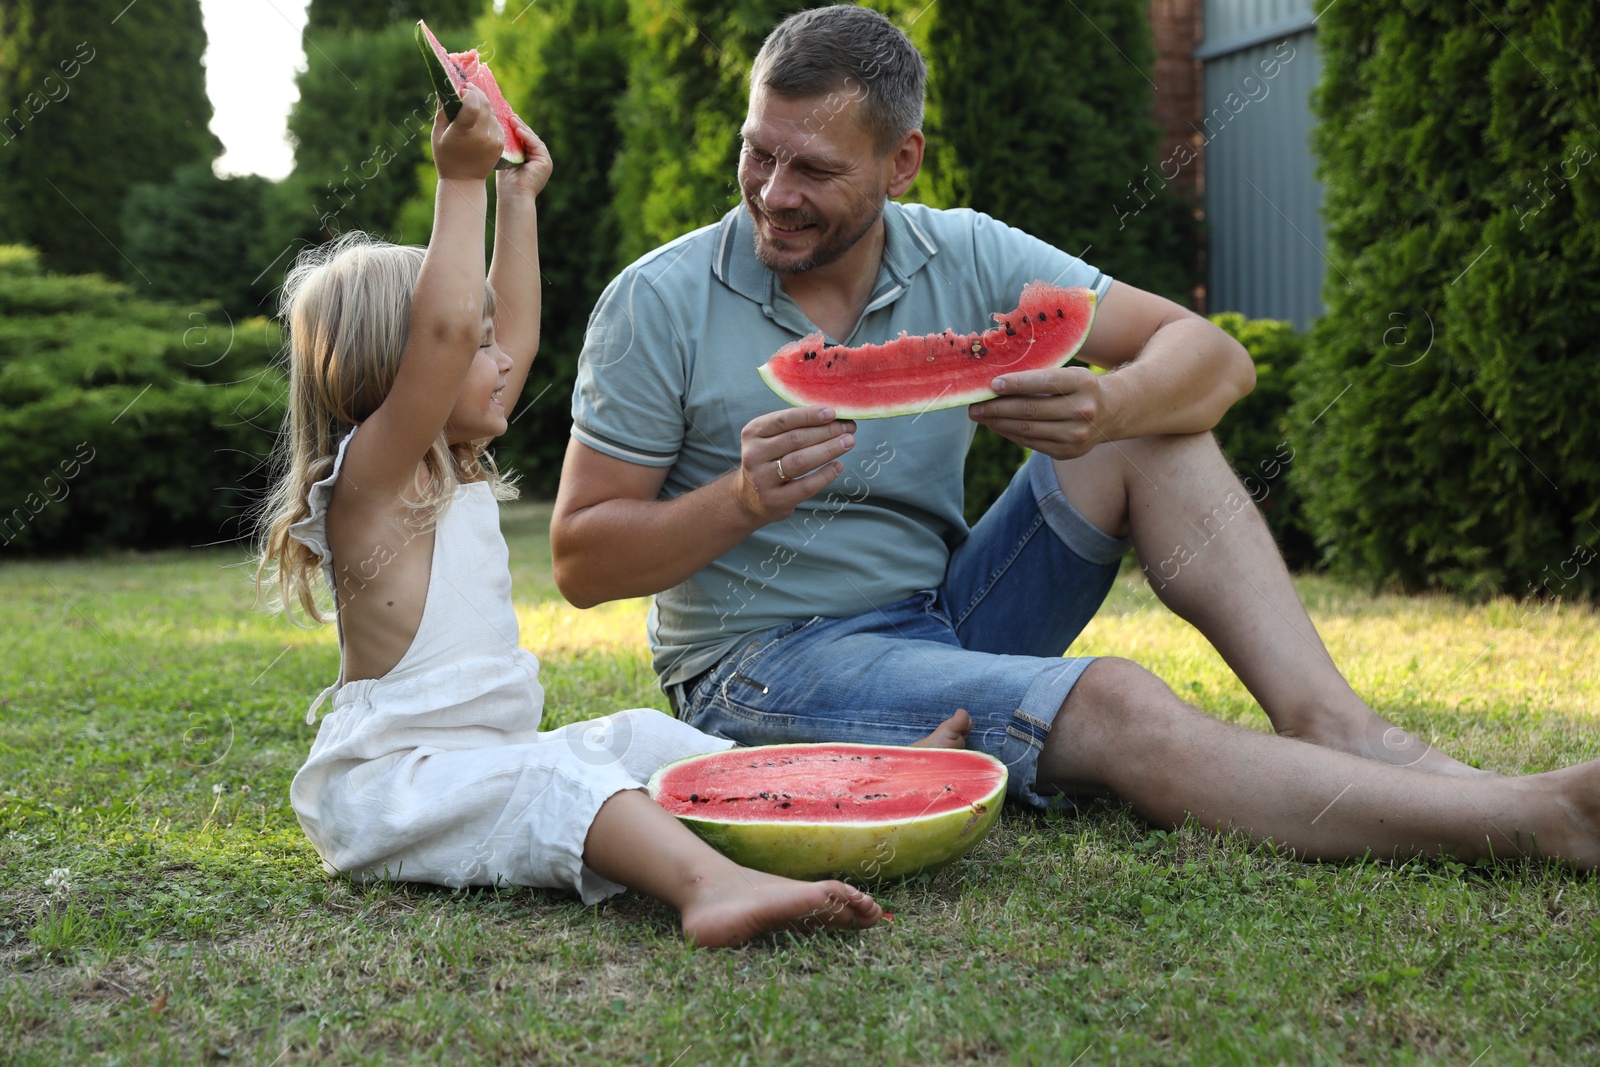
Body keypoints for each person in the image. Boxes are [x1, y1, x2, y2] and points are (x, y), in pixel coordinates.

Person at [552, 4, 1600, 870]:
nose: (774, 196)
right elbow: (581, 559)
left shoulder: (963, 250)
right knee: (1113, 698)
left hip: (938, 612)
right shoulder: (657, 302)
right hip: (760, 667)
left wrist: (1112, 408)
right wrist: (737, 501)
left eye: (815, 170)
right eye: (758, 153)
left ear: (901, 161)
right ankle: (1529, 822)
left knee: (1160, 426)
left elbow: (1213, 359)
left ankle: (1336, 722)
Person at [253, 87, 886, 947]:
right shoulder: (372, 489)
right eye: (478, 349)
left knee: (649, 736)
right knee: (562, 776)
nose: (503, 360)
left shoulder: (451, 463)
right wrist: (461, 180)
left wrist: (516, 201)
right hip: (397, 788)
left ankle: (849, 786)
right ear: (403, 372)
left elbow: (486, 329)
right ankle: (711, 887)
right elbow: (446, 335)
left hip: (485, 759)